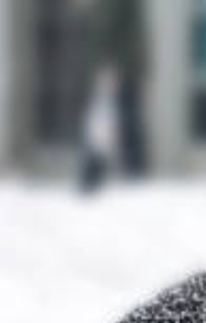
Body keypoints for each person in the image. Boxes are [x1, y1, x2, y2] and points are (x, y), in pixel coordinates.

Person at [79, 0, 149, 191]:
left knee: (113, 123)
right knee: (113, 123)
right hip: (117, 67)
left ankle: (94, 177)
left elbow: (114, 30)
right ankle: (129, 176)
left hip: (118, 69)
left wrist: (112, 66)